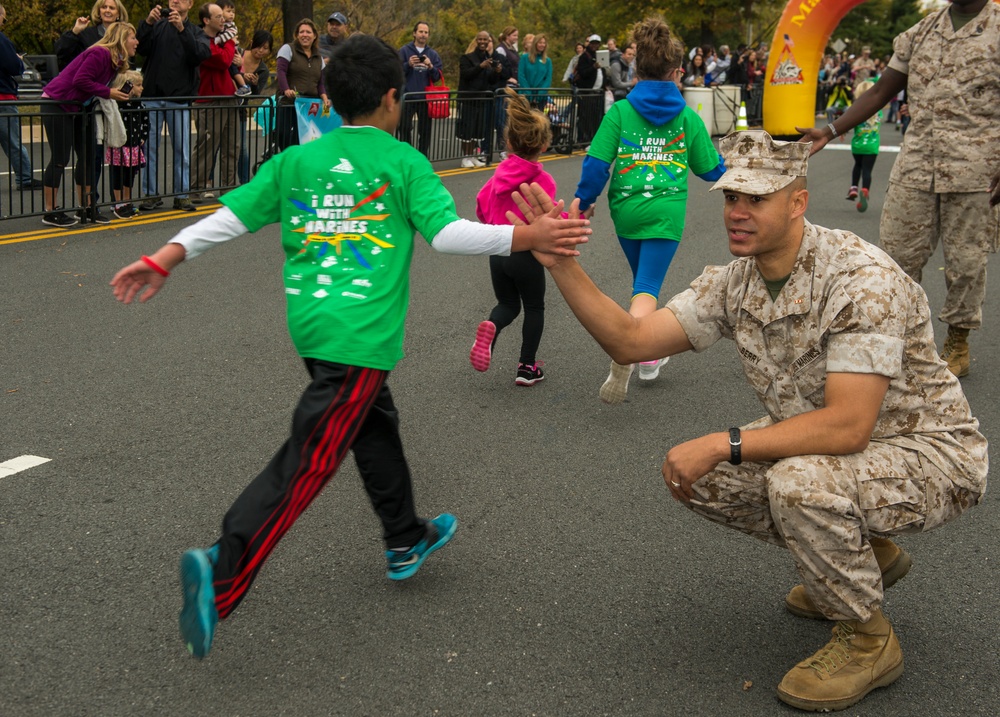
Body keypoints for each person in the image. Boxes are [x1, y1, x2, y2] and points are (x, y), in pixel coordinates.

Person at [108, 33, 590, 660]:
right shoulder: (402, 161)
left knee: (373, 421)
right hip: (359, 338)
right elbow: (446, 235)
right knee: (311, 457)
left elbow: (233, 216)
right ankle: (224, 570)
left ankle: (404, 536)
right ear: (395, 98)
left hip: (313, 329)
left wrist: (167, 254)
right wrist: (526, 238)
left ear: (329, 99)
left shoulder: (297, 161)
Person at [516, 129, 988, 713]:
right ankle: (869, 558)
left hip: (929, 455)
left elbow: (847, 428)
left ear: (798, 202)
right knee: (701, 475)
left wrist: (726, 440)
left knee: (791, 481)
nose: (737, 213)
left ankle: (869, 639)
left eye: (756, 199)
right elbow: (633, 340)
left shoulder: (861, 280)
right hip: (848, 456)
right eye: (730, 197)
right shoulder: (736, 281)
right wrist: (562, 264)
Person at [797, 0, 1000, 379]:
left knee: (966, 262)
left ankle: (958, 339)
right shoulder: (919, 34)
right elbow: (880, 93)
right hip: (917, 164)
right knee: (895, 255)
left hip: (976, 167)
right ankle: (900, 336)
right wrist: (830, 130)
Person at [574, 16, 725, 403]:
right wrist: (740, 171)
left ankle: (650, 354)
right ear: (677, 72)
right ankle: (630, 353)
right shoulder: (689, 118)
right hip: (665, 213)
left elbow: (596, 164)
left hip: (626, 211)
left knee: (642, 283)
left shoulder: (620, 113)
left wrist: (584, 201)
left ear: (637, 67)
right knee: (646, 289)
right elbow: (710, 169)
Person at [469, 87, 558, 386]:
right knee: (534, 307)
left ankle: (492, 326)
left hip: (498, 249)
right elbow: (548, 220)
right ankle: (527, 367)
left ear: (508, 141)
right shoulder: (543, 180)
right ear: (544, 145)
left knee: (507, 304)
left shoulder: (499, 173)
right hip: (526, 253)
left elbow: (481, 206)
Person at [40, 21, 136, 227]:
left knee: (88, 157)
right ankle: (50, 211)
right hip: (57, 102)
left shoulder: (115, 61)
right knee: (60, 158)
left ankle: (86, 207)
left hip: (77, 107)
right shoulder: (100, 53)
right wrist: (108, 92)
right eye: (132, 37)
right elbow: (80, 80)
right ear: (121, 38)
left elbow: (95, 84)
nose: (136, 42)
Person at [137, 0, 211, 212]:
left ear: (190, 4)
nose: (174, 1)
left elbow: (200, 55)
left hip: (179, 99)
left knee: (181, 149)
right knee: (149, 148)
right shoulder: (158, 26)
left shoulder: (196, 32)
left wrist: (181, 29)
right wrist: (148, 24)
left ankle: (182, 194)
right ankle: (150, 194)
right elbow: (139, 49)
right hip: (152, 97)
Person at [190, 3, 238, 202]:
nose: (223, 20)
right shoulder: (201, 41)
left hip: (229, 96)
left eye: (223, 16)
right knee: (206, 147)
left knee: (231, 146)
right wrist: (231, 42)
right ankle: (195, 188)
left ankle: (228, 188)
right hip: (209, 100)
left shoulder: (222, 38)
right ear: (206, 20)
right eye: (218, 17)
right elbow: (224, 60)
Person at [0, 4, 42, 193]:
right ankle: (25, 178)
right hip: (4, 98)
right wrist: (18, 59)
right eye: (4, 18)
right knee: (13, 142)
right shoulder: (2, 41)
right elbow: (14, 67)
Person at [274, 18, 328, 151]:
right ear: (297, 35)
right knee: (283, 135)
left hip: (309, 107)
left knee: (303, 139)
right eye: (301, 32)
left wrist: (325, 97)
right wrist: (286, 89)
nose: (305, 35)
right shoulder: (288, 49)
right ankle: (286, 161)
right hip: (289, 103)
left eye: (308, 32)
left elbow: (320, 82)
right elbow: (281, 71)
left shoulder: (318, 57)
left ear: (314, 36)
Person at [106, 69, 148, 218]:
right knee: (117, 173)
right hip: (119, 145)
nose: (141, 88)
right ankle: (117, 203)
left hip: (134, 146)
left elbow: (145, 122)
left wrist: (143, 136)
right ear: (128, 86)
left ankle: (126, 201)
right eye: (138, 85)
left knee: (130, 175)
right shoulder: (117, 105)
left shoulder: (139, 105)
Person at [457, 31, 503, 167]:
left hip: (482, 99)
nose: (483, 42)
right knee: (467, 129)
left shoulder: (489, 58)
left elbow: (491, 80)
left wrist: (496, 72)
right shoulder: (467, 58)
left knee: (477, 130)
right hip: (468, 99)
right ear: (476, 40)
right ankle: (466, 157)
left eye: (486, 40)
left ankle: (474, 156)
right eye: (480, 39)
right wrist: (480, 67)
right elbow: (466, 74)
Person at [398, 21, 442, 157]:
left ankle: (422, 157)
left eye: (426, 32)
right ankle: (407, 156)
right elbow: (396, 72)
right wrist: (408, 64)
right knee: (404, 128)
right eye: (421, 31)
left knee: (425, 130)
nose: (423, 35)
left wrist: (430, 66)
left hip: (425, 98)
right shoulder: (404, 51)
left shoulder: (433, 54)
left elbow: (437, 77)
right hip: (408, 97)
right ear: (414, 33)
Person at [236, 29, 272, 184]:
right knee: (216, 146)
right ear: (252, 43)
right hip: (224, 102)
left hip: (241, 109)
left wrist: (255, 85)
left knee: (242, 149)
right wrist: (242, 76)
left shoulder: (263, 70)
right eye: (259, 46)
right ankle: (208, 182)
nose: (261, 51)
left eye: (265, 48)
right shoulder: (238, 54)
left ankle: (245, 182)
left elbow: (255, 96)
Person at [54, 0, 129, 71]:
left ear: (118, 13)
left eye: (112, 8)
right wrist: (75, 31)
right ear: (99, 12)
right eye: (104, 7)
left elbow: (129, 64)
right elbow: (61, 53)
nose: (107, 10)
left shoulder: (125, 35)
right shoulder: (85, 34)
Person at [845, 79, 880, 213]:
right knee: (867, 170)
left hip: (857, 145)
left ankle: (853, 187)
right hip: (871, 146)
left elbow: (849, 122)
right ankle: (865, 190)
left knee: (857, 165)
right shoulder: (878, 111)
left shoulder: (856, 110)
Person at [573, 34, 602, 146]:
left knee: (594, 117)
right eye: (593, 43)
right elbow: (583, 72)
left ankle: (592, 138)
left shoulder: (598, 55)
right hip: (586, 91)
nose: (594, 45)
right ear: (589, 43)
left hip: (597, 92)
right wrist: (593, 67)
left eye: (596, 43)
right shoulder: (584, 57)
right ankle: (583, 140)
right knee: (585, 117)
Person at [517, 33, 552, 110]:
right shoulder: (525, 58)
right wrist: (528, 93)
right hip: (525, 96)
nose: (542, 45)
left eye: (544, 43)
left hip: (540, 99)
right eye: (540, 43)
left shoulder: (548, 61)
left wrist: (539, 95)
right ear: (535, 43)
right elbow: (521, 75)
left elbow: (548, 79)